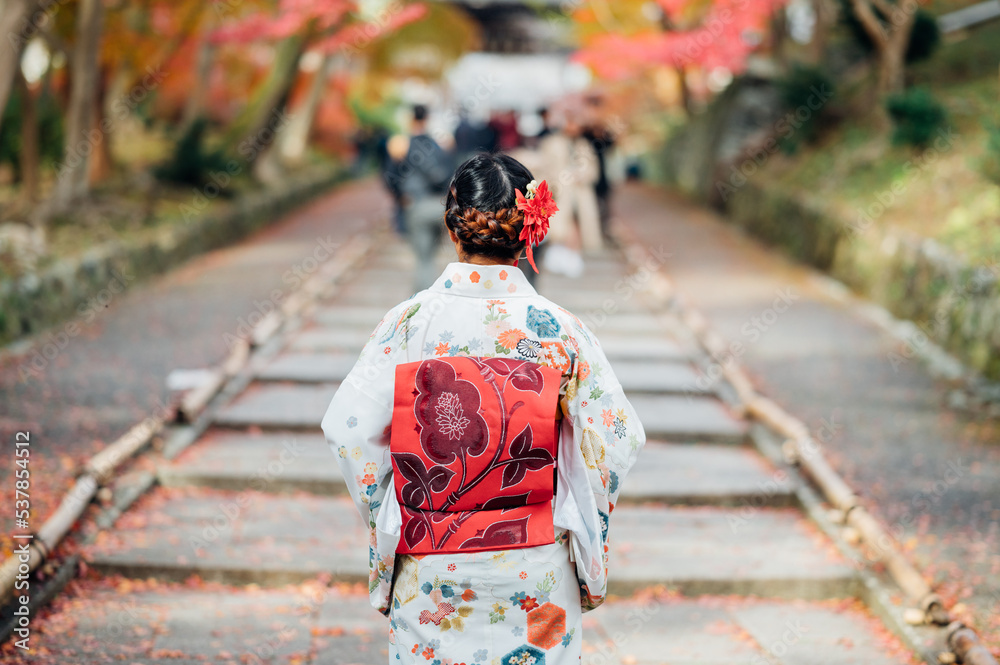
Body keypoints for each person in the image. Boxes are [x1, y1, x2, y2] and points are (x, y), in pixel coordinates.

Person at [321, 153, 645, 664]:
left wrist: (395, 512)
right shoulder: (559, 330)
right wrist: (580, 528)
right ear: (529, 235)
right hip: (535, 561)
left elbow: (348, 427)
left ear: (454, 229)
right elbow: (616, 437)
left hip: (431, 561)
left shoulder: (408, 323)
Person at [390, 105, 453, 290]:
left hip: (416, 204)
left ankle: (420, 303)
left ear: (411, 118)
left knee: (422, 259)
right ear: (427, 118)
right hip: (439, 205)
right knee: (434, 256)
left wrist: (401, 196)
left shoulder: (401, 144)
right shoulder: (439, 145)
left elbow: (390, 175)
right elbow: (449, 173)